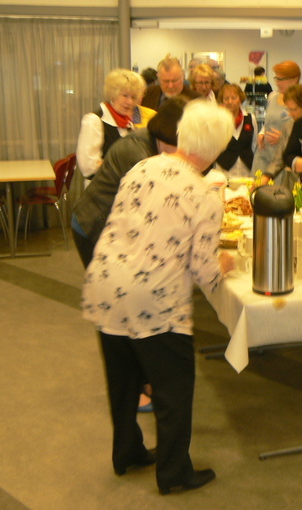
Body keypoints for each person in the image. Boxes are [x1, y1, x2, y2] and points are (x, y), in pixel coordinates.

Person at [81, 100, 236, 495]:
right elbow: (204, 271)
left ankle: (127, 452)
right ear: (215, 149)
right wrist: (225, 265)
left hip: (106, 280)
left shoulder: (142, 167)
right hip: (153, 297)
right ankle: (174, 473)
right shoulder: (204, 195)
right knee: (174, 388)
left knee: (123, 379)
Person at [72, 96, 188, 268]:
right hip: (93, 221)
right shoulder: (137, 153)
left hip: (109, 219)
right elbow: (149, 205)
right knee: (108, 279)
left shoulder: (152, 141)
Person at [76, 69, 155, 186]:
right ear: (113, 95)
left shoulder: (129, 124)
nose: (129, 102)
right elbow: (88, 167)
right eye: (125, 96)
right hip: (101, 189)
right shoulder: (94, 121)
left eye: (133, 97)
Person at [251, 60, 301, 176]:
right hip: (263, 154)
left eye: (281, 79)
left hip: (282, 158)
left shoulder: (301, 102)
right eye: (276, 78)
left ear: (295, 79)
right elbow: (268, 121)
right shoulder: (272, 97)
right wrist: (262, 133)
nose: (277, 83)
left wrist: (284, 138)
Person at [260, 84, 302, 189]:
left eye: (294, 109)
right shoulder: (288, 126)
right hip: (292, 182)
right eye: (288, 109)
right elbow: (279, 158)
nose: (290, 114)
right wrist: (266, 176)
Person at [215, 83, 258, 178]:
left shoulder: (251, 118)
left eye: (233, 98)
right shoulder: (218, 120)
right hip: (224, 169)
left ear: (240, 99)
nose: (230, 101)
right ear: (222, 101)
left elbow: (254, 144)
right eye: (226, 98)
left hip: (246, 169)